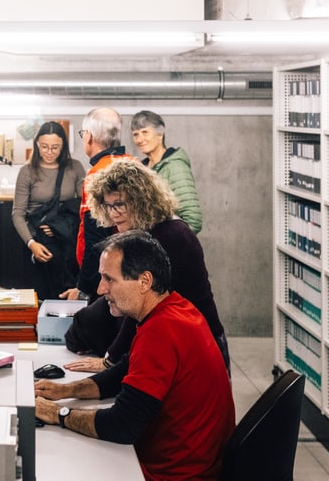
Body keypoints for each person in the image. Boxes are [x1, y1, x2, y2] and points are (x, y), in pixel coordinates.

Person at [35, 230, 235, 481]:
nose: (100, 289)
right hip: (198, 464)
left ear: (144, 281)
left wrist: (58, 414)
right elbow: (125, 370)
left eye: (109, 279)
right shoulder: (176, 308)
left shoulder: (161, 332)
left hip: (175, 474)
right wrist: (66, 391)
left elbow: (122, 425)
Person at [64, 158, 229, 374]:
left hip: (199, 347)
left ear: (142, 200)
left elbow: (138, 309)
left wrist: (110, 360)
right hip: (178, 342)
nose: (113, 213)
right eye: (108, 205)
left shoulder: (170, 236)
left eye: (120, 204)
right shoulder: (147, 233)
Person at [59, 107, 131, 302]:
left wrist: (83, 288)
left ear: (89, 136)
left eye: (83, 134)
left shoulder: (97, 175)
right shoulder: (134, 165)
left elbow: (96, 240)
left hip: (107, 277)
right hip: (133, 270)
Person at [11, 121, 86, 301]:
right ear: (37, 144)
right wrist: (32, 244)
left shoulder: (74, 167)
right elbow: (18, 213)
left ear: (63, 147)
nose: (49, 152)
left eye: (55, 147)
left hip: (67, 242)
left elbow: (84, 206)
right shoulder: (27, 171)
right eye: (44, 147)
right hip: (38, 240)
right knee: (41, 295)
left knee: (67, 293)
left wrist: (61, 226)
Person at [130, 110, 202, 234]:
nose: (139, 139)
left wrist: (165, 244)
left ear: (160, 134)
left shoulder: (175, 167)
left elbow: (193, 221)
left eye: (144, 132)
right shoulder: (143, 168)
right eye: (135, 134)